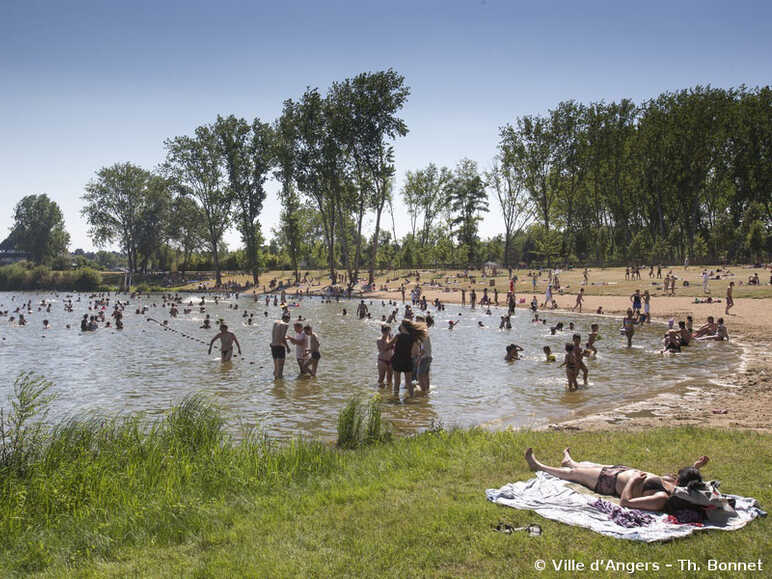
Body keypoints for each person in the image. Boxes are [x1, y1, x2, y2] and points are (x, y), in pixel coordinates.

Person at [524, 448, 710, 512]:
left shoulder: (661, 498)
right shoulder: (675, 485)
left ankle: (538, 466)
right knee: (585, 468)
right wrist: (696, 467)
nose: (675, 476)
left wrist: (632, 481)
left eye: (679, 476)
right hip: (619, 471)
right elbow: (689, 480)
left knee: (574, 475)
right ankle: (569, 461)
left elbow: (626, 502)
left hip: (608, 483)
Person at [390, 319, 427, 397]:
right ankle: (412, 398)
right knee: (409, 383)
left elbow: (388, 345)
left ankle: (396, 399)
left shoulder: (398, 336)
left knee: (397, 382)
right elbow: (415, 353)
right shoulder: (413, 338)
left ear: (403, 327)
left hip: (397, 360)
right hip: (407, 361)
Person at [270, 313, 291, 378]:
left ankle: (276, 382)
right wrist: (287, 347)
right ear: (288, 319)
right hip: (280, 346)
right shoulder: (285, 325)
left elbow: (274, 335)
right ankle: (280, 383)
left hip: (273, 346)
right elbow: (282, 338)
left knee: (276, 367)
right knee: (281, 367)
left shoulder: (275, 322)